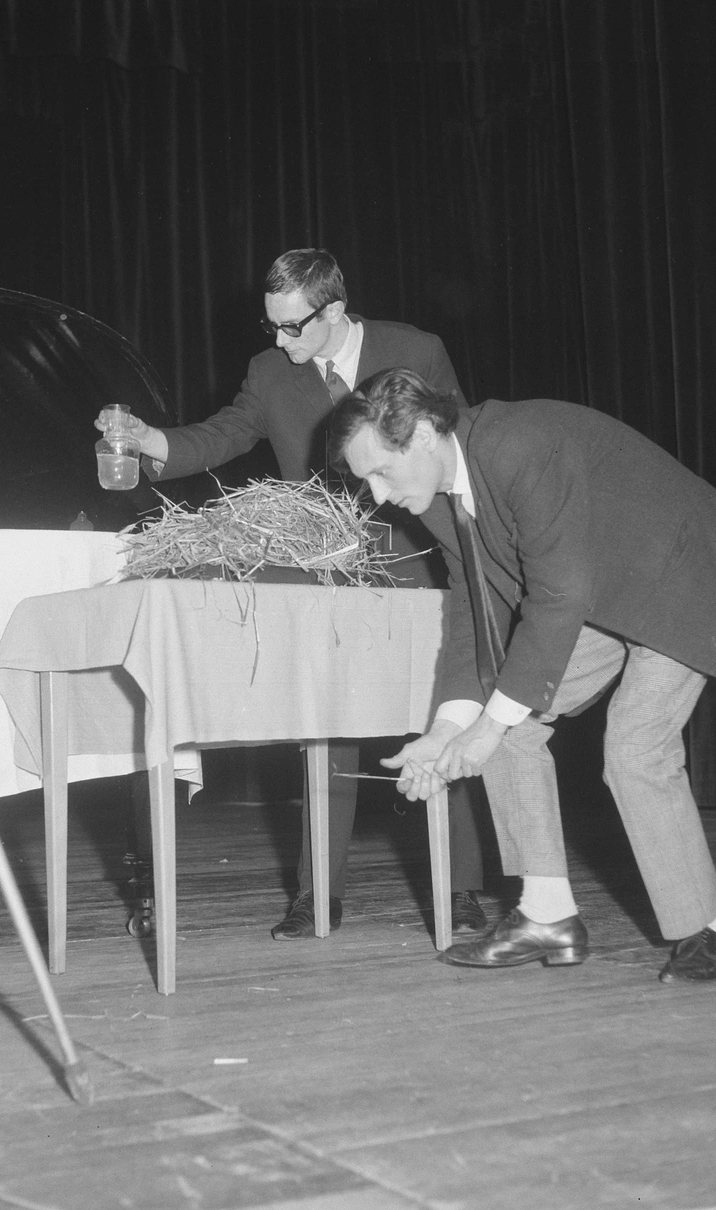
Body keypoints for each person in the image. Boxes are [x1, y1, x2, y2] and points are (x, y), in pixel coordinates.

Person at [330, 367, 716, 981]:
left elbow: (558, 598)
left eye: (382, 471)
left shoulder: (519, 445)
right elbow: (471, 611)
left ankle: (712, 930)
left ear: (427, 434)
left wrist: (486, 727)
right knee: (506, 727)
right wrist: (447, 728)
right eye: (364, 480)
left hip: (686, 578)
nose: (376, 496)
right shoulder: (434, 499)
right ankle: (547, 915)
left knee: (633, 749)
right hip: (607, 593)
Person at [96, 249, 489, 941]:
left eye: (292, 327)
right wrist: (155, 439)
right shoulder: (270, 371)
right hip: (328, 571)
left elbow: (451, 448)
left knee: (436, 721)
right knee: (323, 725)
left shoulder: (414, 350)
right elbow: (225, 433)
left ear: (334, 309)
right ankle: (317, 896)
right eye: (270, 325)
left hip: (419, 562)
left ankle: (458, 890)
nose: (278, 342)